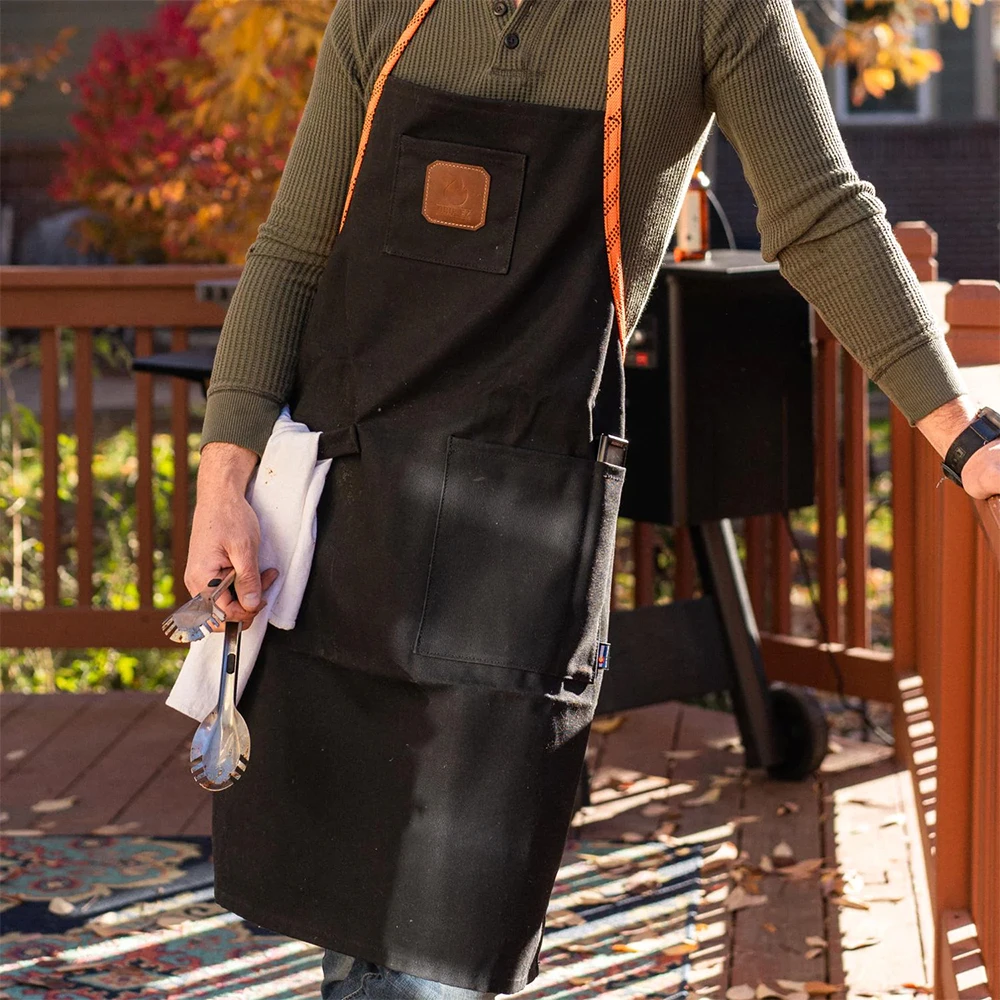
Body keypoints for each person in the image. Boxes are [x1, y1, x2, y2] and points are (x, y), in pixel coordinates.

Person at [184, 1, 1000, 998]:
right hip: (348, 516)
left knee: (437, 943)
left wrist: (967, 440)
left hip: (516, 544)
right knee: (354, 932)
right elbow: (294, 251)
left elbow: (823, 217)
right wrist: (223, 482)